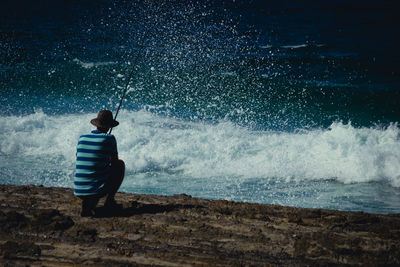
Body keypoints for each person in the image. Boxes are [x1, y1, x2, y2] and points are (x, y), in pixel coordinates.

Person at [74, 110, 125, 217]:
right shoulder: (109, 138)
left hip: (79, 189)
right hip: (96, 190)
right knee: (120, 165)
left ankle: (88, 203)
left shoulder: (82, 138)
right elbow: (114, 162)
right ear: (109, 126)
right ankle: (109, 201)